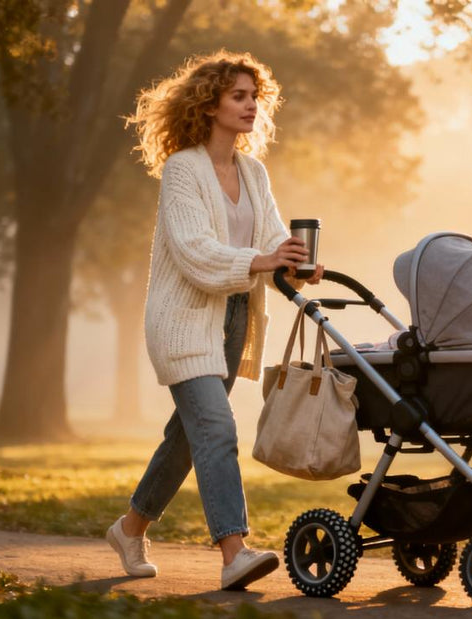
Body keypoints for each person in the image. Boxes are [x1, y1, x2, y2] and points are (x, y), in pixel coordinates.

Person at [106, 50, 323, 591]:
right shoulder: (183, 168)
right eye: (239, 96)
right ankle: (234, 552)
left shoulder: (253, 171)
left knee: (189, 435)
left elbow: (270, 235)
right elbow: (193, 249)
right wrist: (262, 260)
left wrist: (295, 261)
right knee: (218, 428)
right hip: (182, 321)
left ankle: (130, 529)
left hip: (234, 320)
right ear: (209, 105)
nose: (251, 106)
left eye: (255, 97)